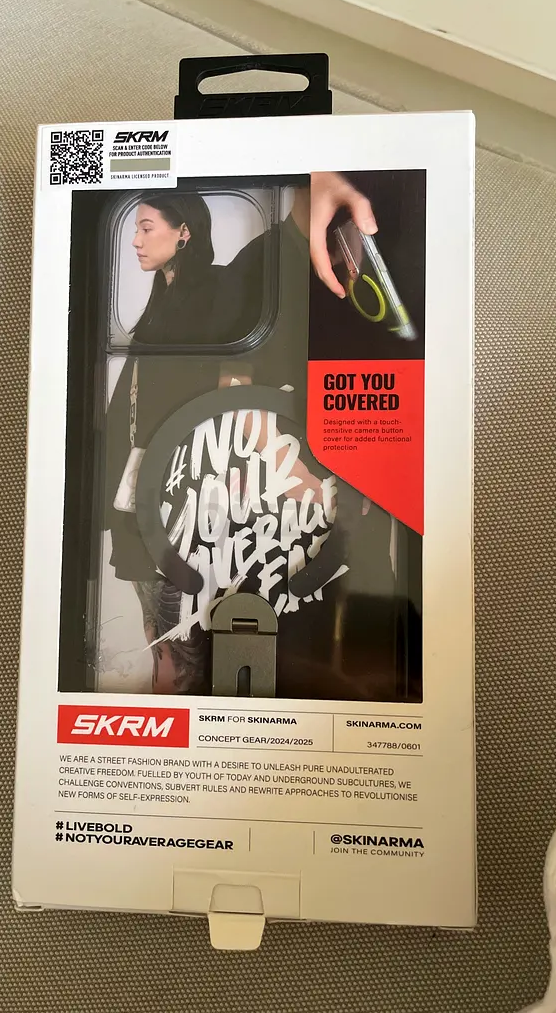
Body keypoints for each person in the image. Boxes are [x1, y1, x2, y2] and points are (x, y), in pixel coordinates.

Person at [105, 174, 379, 695]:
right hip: (161, 485)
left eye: (146, 227)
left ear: (184, 232)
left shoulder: (216, 287)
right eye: (134, 229)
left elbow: (233, 391)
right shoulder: (169, 300)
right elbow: (161, 399)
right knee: (167, 638)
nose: (135, 241)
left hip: (202, 490)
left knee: (195, 641)